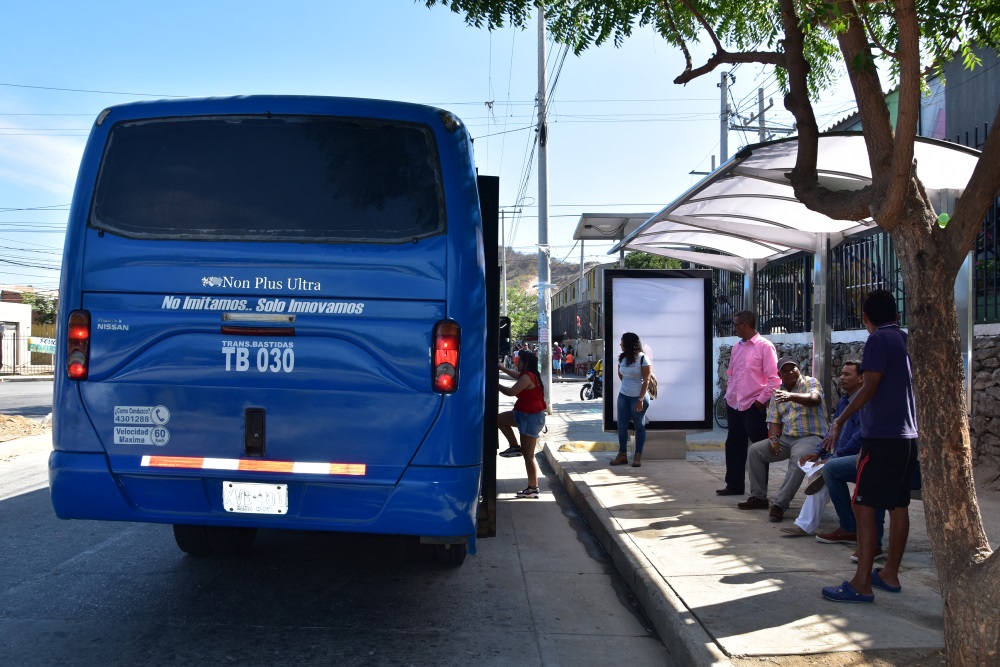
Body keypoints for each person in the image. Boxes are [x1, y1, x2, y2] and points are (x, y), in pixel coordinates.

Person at [821, 290, 918, 603]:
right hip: (906, 435)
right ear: (896, 314)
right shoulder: (903, 338)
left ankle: (861, 582)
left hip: (883, 437)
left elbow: (870, 385)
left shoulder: (878, 340)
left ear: (865, 317)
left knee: (863, 505)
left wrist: (840, 419)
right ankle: (889, 573)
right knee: (898, 505)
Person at [780, 361, 887, 549]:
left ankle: (847, 527)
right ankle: (810, 524)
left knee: (828, 470)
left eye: (847, 374)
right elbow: (832, 432)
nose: (842, 378)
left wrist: (832, 458)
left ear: (861, 378)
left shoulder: (866, 402)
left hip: (862, 458)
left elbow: (858, 439)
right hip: (841, 456)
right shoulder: (845, 401)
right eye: (842, 374)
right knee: (817, 469)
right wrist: (818, 452)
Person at [737, 356, 828, 523]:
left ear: (799, 369)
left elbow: (815, 399)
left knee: (798, 459)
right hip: (787, 437)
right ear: (779, 375)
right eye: (784, 370)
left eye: (792, 368)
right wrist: (774, 440)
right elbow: (774, 420)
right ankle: (758, 497)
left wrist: (791, 396)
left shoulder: (810, 382)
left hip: (810, 436)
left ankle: (780, 504)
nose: (789, 372)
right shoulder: (777, 393)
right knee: (755, 451)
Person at [717, 310, 780, 496]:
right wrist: (730, 393)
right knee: (734, 444)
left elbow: (774, 380)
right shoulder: (736, 347)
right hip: (734, 403)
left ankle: (759, 492)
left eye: (736, 324)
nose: (734, 328)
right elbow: (731, 373)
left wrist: (759, 403)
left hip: (753, 404)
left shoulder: (765, 346)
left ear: (745, 324)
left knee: (759, 448)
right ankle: (734, 485)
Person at [498, 350, 548, 498]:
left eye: (518, 362)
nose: (516, 364)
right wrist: (501, 368)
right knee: (498, 419)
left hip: (531, 418)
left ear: (526, 364)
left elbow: (510, 392)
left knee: (528, 456)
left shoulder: (527, 377)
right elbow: (515, 375)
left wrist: (494, 383)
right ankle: (514, 446)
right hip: (522, 415)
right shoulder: (528, 375)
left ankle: (533, 488)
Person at [610, 332, 652, 468]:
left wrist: (640, 399)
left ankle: (637, 456)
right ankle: (622, 455)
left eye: (622, 341)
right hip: (623, 396)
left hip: (638, 397)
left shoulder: (643, 358)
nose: (620, 344)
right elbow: (621, 375)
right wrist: (627, 387)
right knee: (621, 426)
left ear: (628, 343)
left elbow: (647, 380)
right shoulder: (622, 358)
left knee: (639, 426)